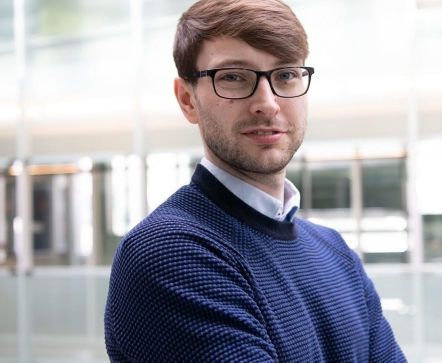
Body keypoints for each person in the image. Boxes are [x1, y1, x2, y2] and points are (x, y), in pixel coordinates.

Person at [104, 0, 407, 361]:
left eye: (286, 75)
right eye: (233, 76)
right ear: (188, 100)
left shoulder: (334, 252)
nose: (268, 103)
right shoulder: (171, 252)